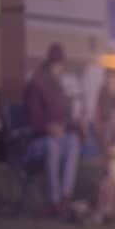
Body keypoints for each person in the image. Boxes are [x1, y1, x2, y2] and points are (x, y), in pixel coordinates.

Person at [22, 42, 82, 217]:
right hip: (36, 143)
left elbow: (63, 117)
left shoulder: (58, 86)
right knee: (53, 145)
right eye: (59, 65)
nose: (61, 69)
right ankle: (53, 202)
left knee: (73, 141)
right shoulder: (36, 84)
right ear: (52, 64)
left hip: (56, 137)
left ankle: (65, 197)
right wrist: (49, 128)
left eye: (62, 65)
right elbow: (33, 121)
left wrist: (75, 125)